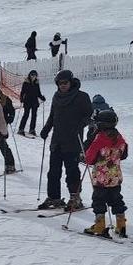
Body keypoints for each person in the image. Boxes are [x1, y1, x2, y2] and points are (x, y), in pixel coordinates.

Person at [38, 70, 91, 212]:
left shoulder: (81, 97)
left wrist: (80, 125)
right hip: (57, 141)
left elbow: (88, 115)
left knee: (72, 171)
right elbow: (52, 116)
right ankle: (54, 197)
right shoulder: (57, 97)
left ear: (71, 82)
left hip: (73, 141)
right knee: (53, 172)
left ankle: (75, 197)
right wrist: (46, 129)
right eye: (60, 83)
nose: (63, 86)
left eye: (65, 83)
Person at [81, 109, 128, 238]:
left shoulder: (99, 138)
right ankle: (121, 224)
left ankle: (100, 225)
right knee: (116, 199)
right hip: (115, 177)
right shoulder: (119, 137)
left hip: (101, 178)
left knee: (99, 200)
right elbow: (124, 154)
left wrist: (83, 157)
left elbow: (89, 158)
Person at [18, 71, 45, 136]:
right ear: (29, 75)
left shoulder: (36, 83)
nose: (33, 77)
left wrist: (42, 97)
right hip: (27, 101)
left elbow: (38, 92)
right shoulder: (26, 82)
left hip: (35, 102)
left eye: (35, 75)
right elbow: (22, 92)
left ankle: (32, 129)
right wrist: (21, 98)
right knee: (26, 115)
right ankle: (21, 129)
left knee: (34, 116)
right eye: (32, 75)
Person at [0, 88, 18, 173]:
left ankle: (10, 165)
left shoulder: (5, 99)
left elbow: (12, 110)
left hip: (2, 124)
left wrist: (11, 117)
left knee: (2, 144)